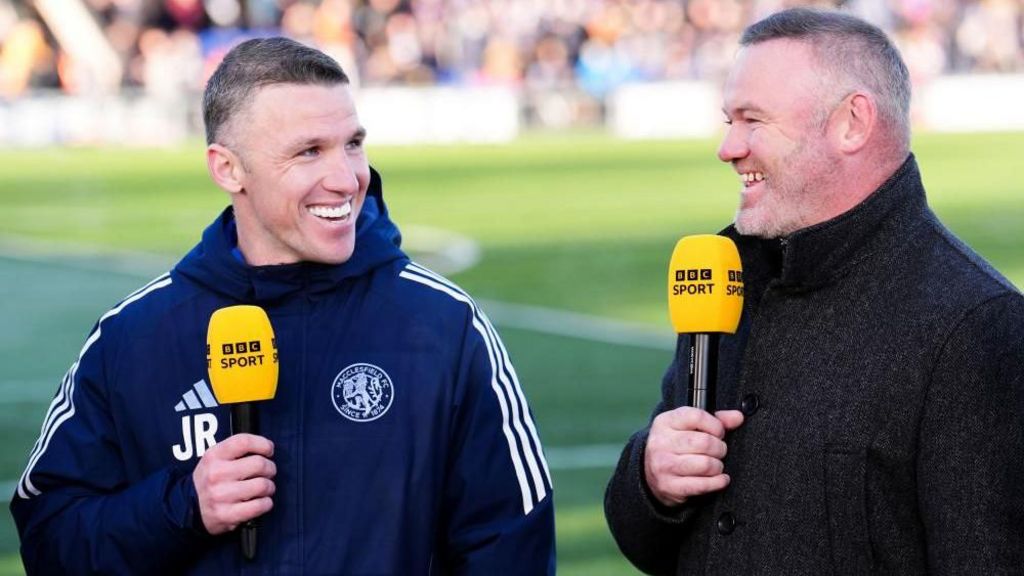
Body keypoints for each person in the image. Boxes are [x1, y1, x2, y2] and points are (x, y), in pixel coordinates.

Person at [11, 37, 555, 574]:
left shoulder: (444, 327)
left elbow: (512, 547)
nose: (346, 179)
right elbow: (49, 540)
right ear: (228, 169)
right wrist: (184, 507)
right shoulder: (132, 338)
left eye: (353, 144)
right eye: (308, 151)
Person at [605, 7, 1024, 574]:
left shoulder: (977, 325)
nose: (727, 147)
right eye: (728, 119)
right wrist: (653, 481)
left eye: (752, 120)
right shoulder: (728, 276)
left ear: (852, 122)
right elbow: (645, 541)